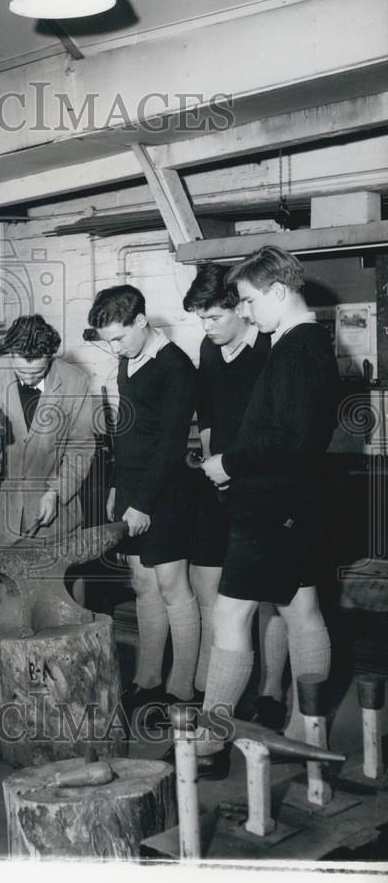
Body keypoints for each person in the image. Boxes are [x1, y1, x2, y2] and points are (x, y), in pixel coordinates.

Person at [195, 246, 339, 777]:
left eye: (251, 301)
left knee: (231, 615)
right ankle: (309, 733)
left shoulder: (300, 346)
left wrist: (230, 461)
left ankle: (209, 746)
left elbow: (291, 437)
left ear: (278, 291)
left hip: (272, 505)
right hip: (293, 504)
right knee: (303, 611)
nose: (248, 313)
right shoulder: (302, 341)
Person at [183, 263, 289, 729]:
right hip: (216, 479)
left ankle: (270, 693)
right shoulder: (210, 348)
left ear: (242, 309)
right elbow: (207, 407)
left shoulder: (270, 348)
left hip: (261, 484)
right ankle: (216, 691)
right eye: (201, 320)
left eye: (213, 318)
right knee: (211, 589)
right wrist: (212, 458)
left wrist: (236, 468)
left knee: (268, 595)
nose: (206, 329)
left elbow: (279, 432)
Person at [86, 285, 199, 712]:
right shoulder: (129, 361)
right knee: (143, 585)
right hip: (134, 488)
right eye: (107, 340)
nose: (114, 348)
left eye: (119, 337)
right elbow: (127, 433)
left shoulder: (176, 368)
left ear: (140, 321)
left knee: (173, 588)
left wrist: (145, 503)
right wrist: (118, 485)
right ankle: (148, 678)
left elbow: (169, 446)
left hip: (165, 491)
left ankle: (182, 689)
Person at [0, 314, 94, 548]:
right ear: (10, 353)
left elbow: (81, 447)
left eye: (37, 374)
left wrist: (56, 492)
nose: (29, 379)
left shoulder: (74, 381)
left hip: (54, 516)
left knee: (51, 584)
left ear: (49, 357)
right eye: (21, 372)